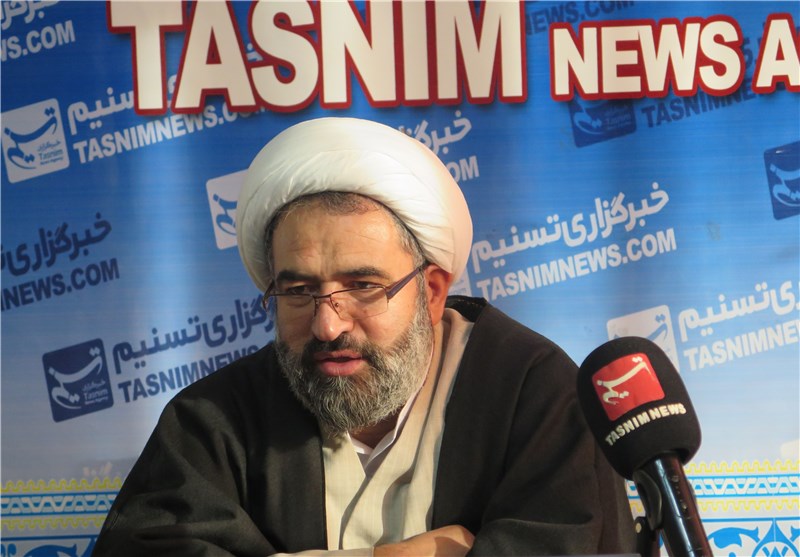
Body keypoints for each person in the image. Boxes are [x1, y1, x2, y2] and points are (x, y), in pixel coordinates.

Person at [93, 117, 636, 556]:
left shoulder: (534, 394)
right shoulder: (215, 418)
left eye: (363, 287)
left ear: (431, 292)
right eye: (299, 291)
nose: (328, 325)